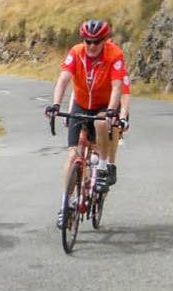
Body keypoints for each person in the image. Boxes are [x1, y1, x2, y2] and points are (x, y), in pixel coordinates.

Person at [43, 20, 126, 229]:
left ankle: (103, 167)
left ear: (104, 41)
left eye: (96, 42)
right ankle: (65, 204)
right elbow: (63, 79)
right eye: (87, 41)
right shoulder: (76, 52)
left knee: (100, 125)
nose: (91, 46)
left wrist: (111, 111)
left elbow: (118, 87)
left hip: (104, 105)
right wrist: (55, 104)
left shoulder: (114, 55)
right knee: (73, 156)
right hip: (80, 104)